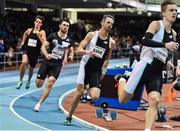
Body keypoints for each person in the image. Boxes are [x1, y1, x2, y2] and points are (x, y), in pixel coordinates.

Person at [117, 1, 179, 131]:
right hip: (143, 67)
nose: (174, 12)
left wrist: (167, 61)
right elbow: (144, 40)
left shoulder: (173, 33)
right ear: (163, 12)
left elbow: (163, 52)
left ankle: (147, 130)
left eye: (175, 10)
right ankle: (122, 79)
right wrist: (165, 45)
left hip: (156, 72)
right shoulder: (156, 25)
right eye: (171, 10)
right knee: (123, 100)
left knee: (155, 100)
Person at [64, 15, 115, 126]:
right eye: (108, 22)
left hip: (96, 71)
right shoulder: (91, 35)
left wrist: (104, 70)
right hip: (85, 66)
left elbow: (107, 58)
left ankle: (88, 86)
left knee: (95, 96)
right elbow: (78, 50)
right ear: (102, 22)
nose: (110, 25)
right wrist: (87, 52)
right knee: (78, 94)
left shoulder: (111, 42)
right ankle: (69, 116)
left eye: (112, 23)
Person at [34, 19, 74, 112]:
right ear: (59, 26)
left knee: (50, 83)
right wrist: (46, 54)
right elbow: (43, 46)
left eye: (67, 26)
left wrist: (71, 55)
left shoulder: (69, 39)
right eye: (64, 25)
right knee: (38, 84)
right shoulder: (52, 36)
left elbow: (71, 50)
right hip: (46, 62)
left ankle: (39, 104)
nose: (66, 27)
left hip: (57, 64)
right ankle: (41, 80)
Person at [17, 15, 46, 89]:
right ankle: (20, 80)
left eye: (39, 22)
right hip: (27, 50)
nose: (37, 23)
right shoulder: (29, 30)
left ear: (41, 24)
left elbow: (44, 43)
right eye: (37, 21)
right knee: (24, 62)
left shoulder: (42, 32)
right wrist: (23, 42)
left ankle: (28, 80)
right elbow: (25, 34)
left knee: (31, 69)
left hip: (35, 53)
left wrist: (38, 35)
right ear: (34, 22)